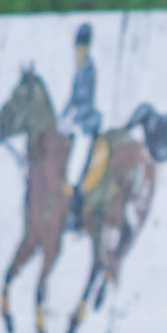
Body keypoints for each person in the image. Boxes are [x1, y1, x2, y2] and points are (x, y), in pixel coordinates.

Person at [58, 23, 103, 231]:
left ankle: (75, 218)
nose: (78, 52)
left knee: (75, 171)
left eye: (81, 48)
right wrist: (60, 118)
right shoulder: (78, 70)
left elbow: (85, 101)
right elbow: (71, 99)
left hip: (86, 124)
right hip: (76, 122)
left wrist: (73, 119)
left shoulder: (89, 70)